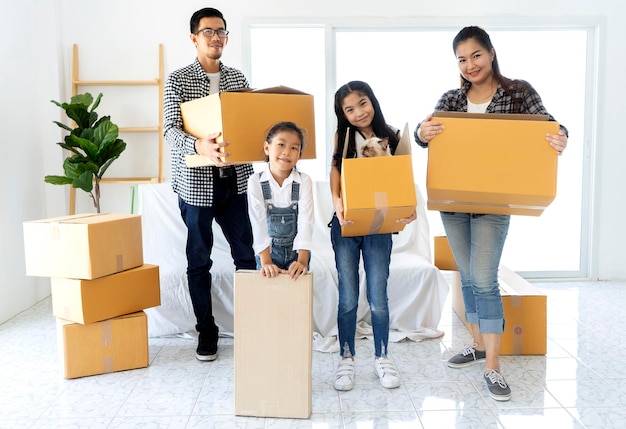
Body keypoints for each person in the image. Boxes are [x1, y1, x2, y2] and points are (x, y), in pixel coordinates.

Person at [414, 26, 569, 401]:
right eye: (462, 59)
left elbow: (550, 125)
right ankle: (479, 344)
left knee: (483, 279)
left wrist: (561, 135)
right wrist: (422, 131)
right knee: (467, 277)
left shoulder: (518, 93)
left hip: (494, 203)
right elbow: (423, 137)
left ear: (492, 53)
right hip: (453, 202)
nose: (470, 65)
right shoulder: (451, 98)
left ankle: (493, 366)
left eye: (476, 55)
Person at [163, 7, 256, 362]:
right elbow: (171, 129)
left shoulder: (237, 79)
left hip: (235, 182)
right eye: (208, 32)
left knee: (245, 255)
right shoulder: (178, 79)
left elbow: (248, 125)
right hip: (196, 185)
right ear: (194, 38)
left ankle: (251, 325)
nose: (216, 38)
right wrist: (198, 144)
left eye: (221, 32)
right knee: (198, 260)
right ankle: (206, 331)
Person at [330, 81, 417, 391]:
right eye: (349, 109)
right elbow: (336, 171)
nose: (358, 112)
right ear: (343, 114)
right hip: (348, 223)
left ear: (373, 102)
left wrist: (409, 207)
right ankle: (346, 358)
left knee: (378, 297)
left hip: (379, 226)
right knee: (349, 297)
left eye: (362, 103)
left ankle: (382, 356)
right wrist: (337, 204)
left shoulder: (391, 135)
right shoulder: (343, 137)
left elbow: (402, 177)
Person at [247, 121, 314, 280]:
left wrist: (302, 262)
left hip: (297, 255)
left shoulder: (304, 181)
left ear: (299, 154)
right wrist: (266, 263)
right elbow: (258, 223)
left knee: (297, 302)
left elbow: (306, 222)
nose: (287, 152)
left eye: (294, 148)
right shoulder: (255, 181)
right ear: (267, 147)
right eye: (281, 144)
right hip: (267, 255)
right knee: (269, 302)